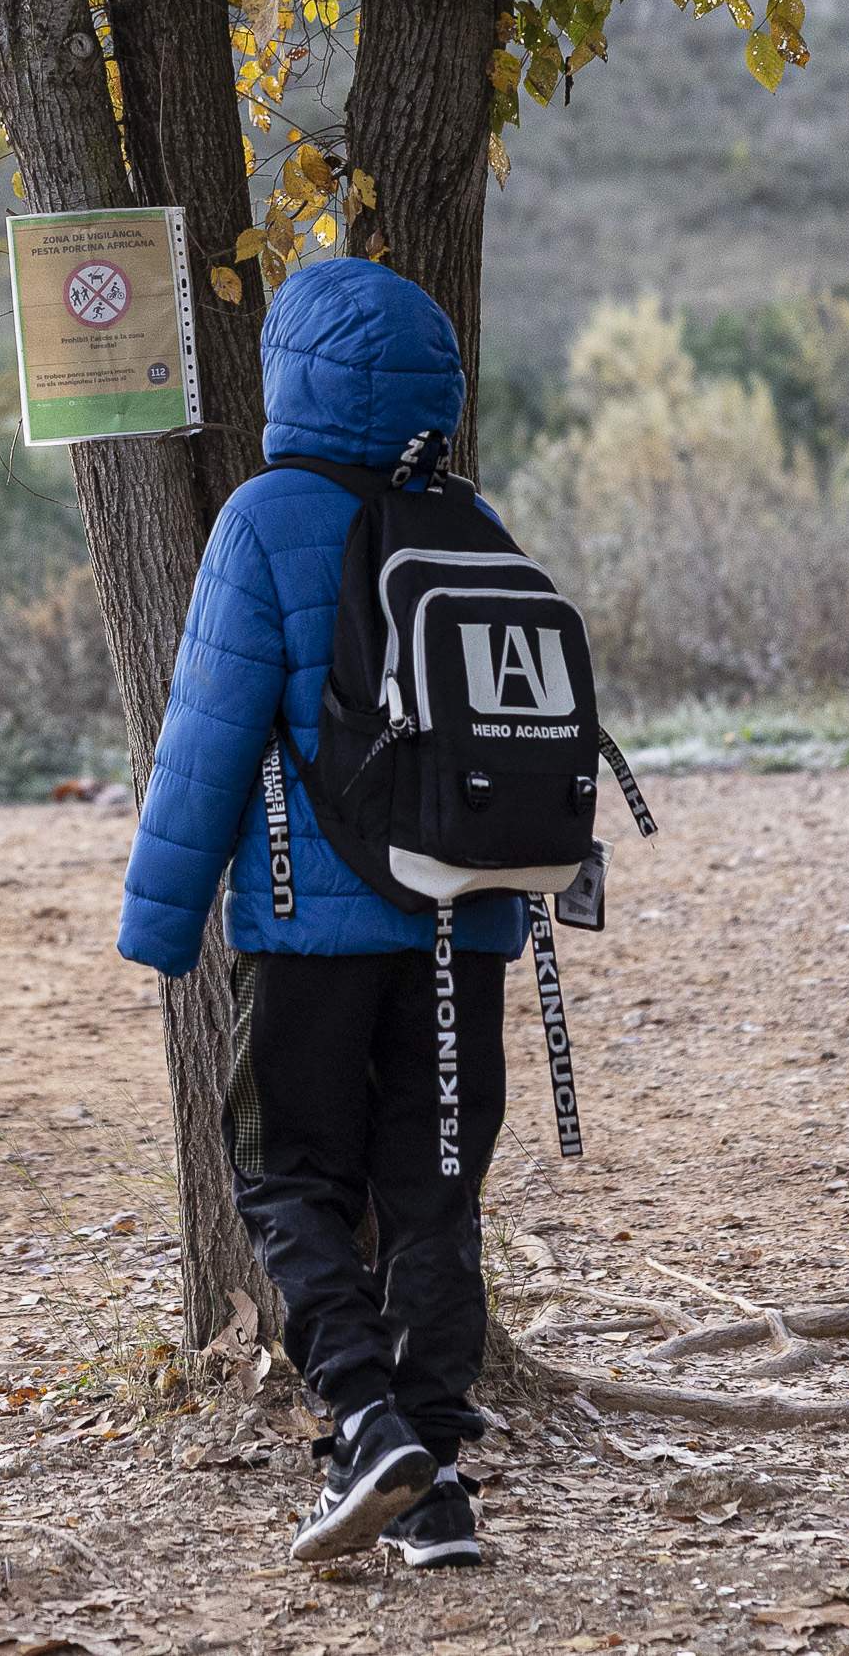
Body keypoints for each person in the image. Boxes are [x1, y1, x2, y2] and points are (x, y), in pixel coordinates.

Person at [117, 258, 519, 1571]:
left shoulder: (265, 518)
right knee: (431, 1194)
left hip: (304, 936)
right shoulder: (471, 521)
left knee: (291, 1178)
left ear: (296, 375)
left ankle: (362, 1416)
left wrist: (161, 922)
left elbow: (207, 741)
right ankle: (437, 1478)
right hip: (460, 931)